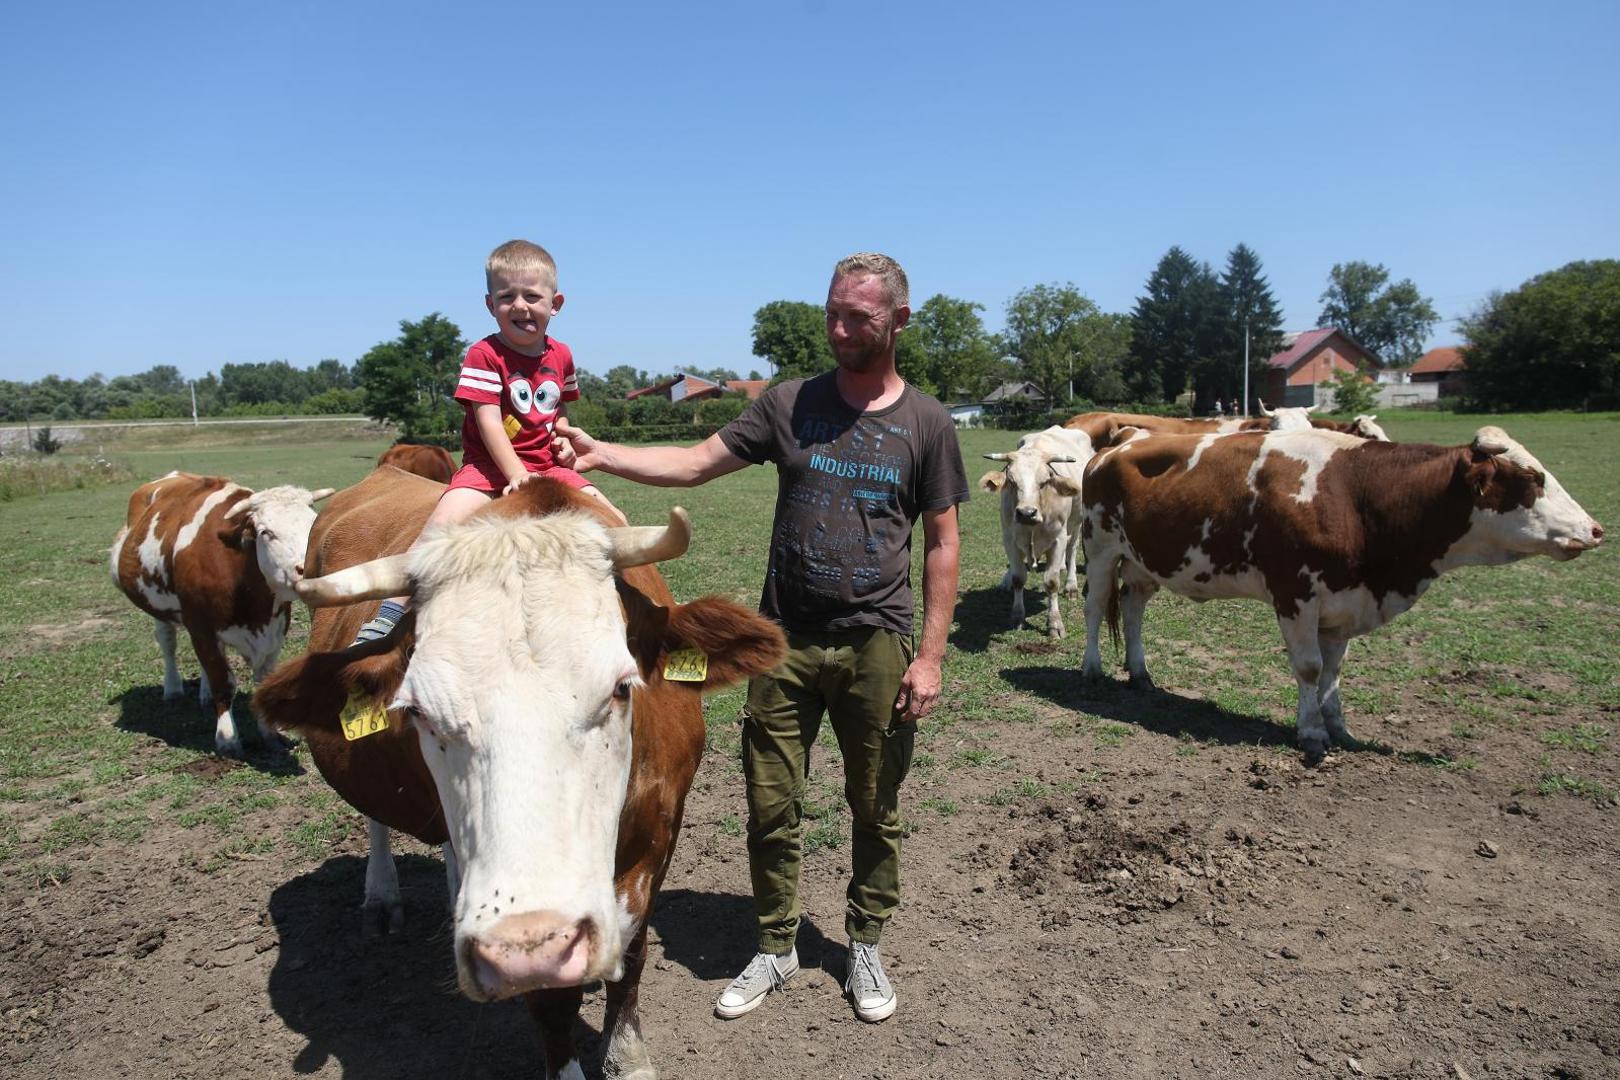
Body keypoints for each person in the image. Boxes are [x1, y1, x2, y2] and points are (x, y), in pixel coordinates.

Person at [553, 252, 967, 1024]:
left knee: (875, 803)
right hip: (780, 642)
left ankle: (864, 943)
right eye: (833, 313)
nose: (841, 330)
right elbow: (695, 463)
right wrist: (602, 454)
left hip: (878, 642)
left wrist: (931, 655)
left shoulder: (928, 424)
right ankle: (776, 944)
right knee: (771, 805)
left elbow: (943, 541)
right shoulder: (788, 404)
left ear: (899, 321)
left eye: (860, 319)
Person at [353, 239, 622, 643]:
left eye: (532, 296)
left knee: (615, 523)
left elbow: (559, 409)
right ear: (489, 304)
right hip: (487, 469)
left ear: (556, 303)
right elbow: (489, 422)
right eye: (506, 296)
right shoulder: (483, 354)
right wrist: (516, 474)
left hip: (548, 467)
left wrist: (564, 442)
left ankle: (624, 612)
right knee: (438, 533)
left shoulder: (562, 355)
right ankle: (390, 614)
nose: (520, 305)